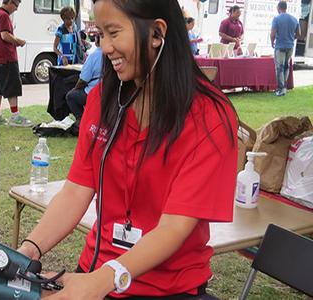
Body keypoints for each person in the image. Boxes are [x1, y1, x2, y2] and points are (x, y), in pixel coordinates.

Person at [19, 0, 238, 299]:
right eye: (100, 36)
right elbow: (75, 191)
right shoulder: (101, 101)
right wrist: (28, 251)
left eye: (114, 33)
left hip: (166, 289)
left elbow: (174, 228)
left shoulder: (210, 117)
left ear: (157, 33)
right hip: (96, 274)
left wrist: (101, 281)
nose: (105, 48)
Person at [0, 0, 32, 127]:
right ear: (10, 2)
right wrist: (18, 41)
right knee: (13, 87)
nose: (16, 9)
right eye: (16, 5)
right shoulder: (4, 15)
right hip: (7, 58)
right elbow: (5, 35)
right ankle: (15, 116)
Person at [65, 34, 102, 126]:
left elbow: (83, 79)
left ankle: (81, 120)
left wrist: (75, 88)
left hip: (94, 92)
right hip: (109, 91)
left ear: (97, 40)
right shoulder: (113, 53)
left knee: (71, 96)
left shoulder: (94, 55)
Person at [271, 1, 300, 97]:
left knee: (279, 67)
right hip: (290, 46)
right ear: (286, 8)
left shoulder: (276, 18)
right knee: (286, 67)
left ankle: (281, 89)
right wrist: (292, 38)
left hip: (280, 46)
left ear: (279, 8)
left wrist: (272, 42)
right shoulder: (294, 19)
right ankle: (284, 87)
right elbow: (299, 34)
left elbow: (273, 33)